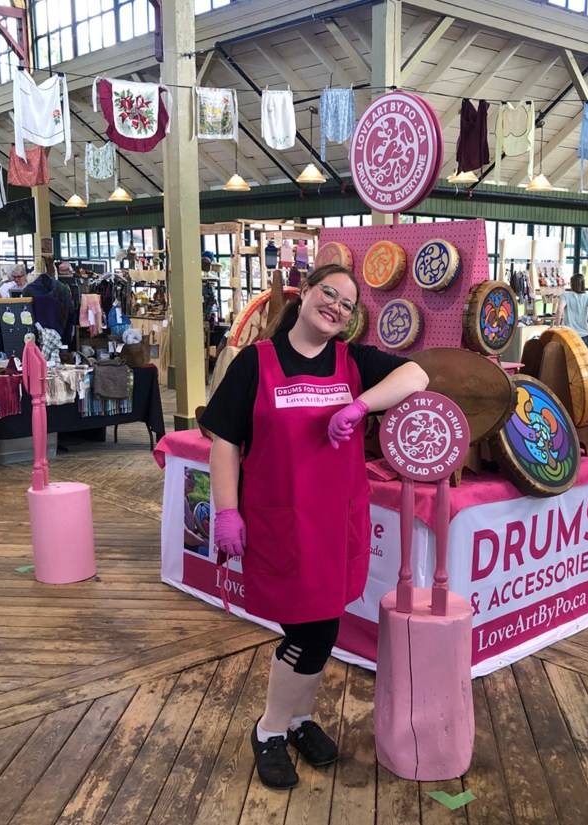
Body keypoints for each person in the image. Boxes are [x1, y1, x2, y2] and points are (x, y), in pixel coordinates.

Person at [200, 263, 429, 790]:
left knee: (323, 626)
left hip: (336, 523)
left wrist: (360, 405)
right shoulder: (254, 363)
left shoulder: (354, 362)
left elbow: (417, 374)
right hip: (281, 521)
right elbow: (225, 442)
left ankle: (299, 722)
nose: (337, 307)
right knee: (312, 631)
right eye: (330, 293)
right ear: (304, 295)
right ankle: (270, 729)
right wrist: (227, 510)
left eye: (348, 305)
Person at [554, 273, 588, 346]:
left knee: (567, 357)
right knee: (582, 357)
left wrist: (557, 327)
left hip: (567, 334)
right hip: (583, 335)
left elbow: (559, 311)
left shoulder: (565, 296)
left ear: (572, 284)